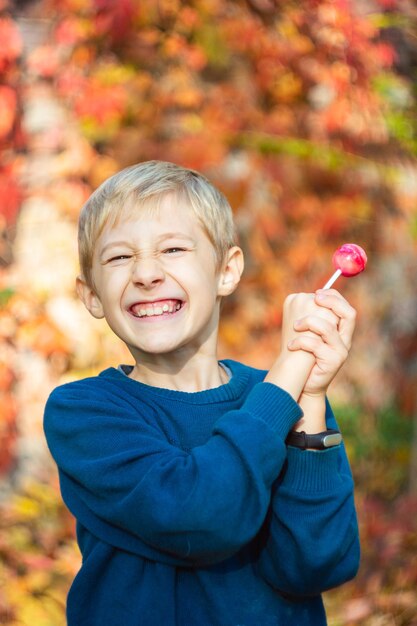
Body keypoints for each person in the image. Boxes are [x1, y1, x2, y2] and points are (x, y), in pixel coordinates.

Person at [44, 160, 360, 626]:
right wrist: (290, 373)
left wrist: (310, 395)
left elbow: (316, 566)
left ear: (227, 272)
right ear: (91, 294)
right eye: (119, 257)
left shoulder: (281, 397)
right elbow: (201, 517)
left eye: (172, 248)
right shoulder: (83, 413)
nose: (146, 273)